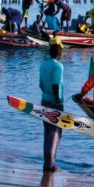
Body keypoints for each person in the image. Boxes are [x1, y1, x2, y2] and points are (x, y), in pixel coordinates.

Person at [39, 44, 64, 172]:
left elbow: (41, 85)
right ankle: (50, 164)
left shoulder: (43, 64)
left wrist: (46, 95)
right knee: (55, 133)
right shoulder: (58, 66)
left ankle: (46, 162)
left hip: (44, 100)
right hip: (55, 102)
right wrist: (58, 102)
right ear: (59, 54)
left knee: (47, 132)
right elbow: (55, 85)